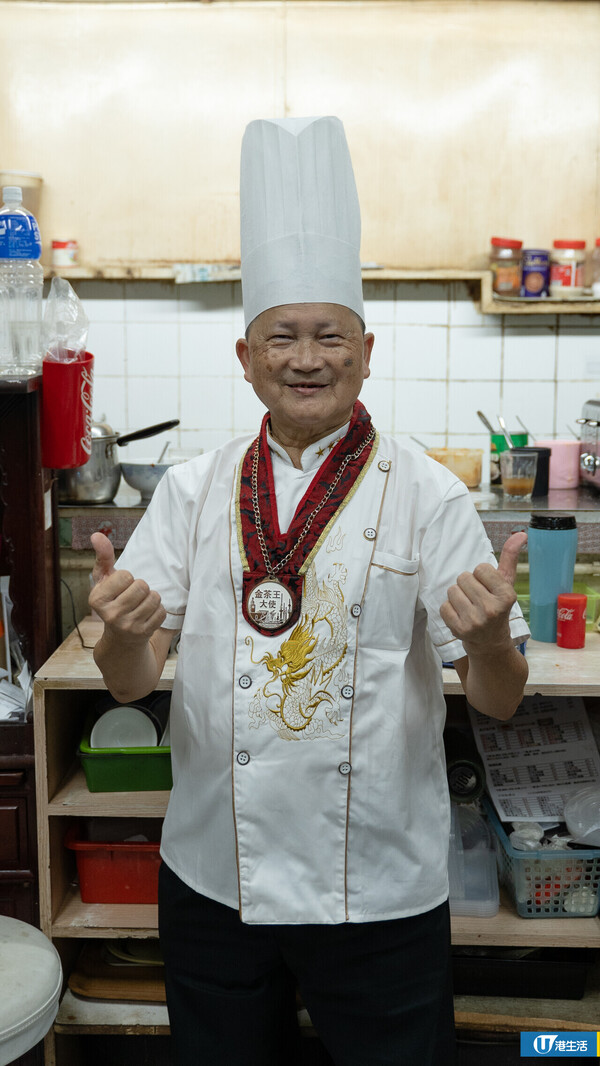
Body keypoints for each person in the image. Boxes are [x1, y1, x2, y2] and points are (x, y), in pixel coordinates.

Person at [89, 117, 529, 1066]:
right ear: (244, 360)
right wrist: (118, 636)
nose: (306, 357)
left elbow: (497, 699)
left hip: (377, 883)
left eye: (329, 335)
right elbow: (132, 684)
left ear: (367, 352)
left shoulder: (429, 493)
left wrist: (492, 643)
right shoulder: (198, 490)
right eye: (280, 336)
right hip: (215, 873)